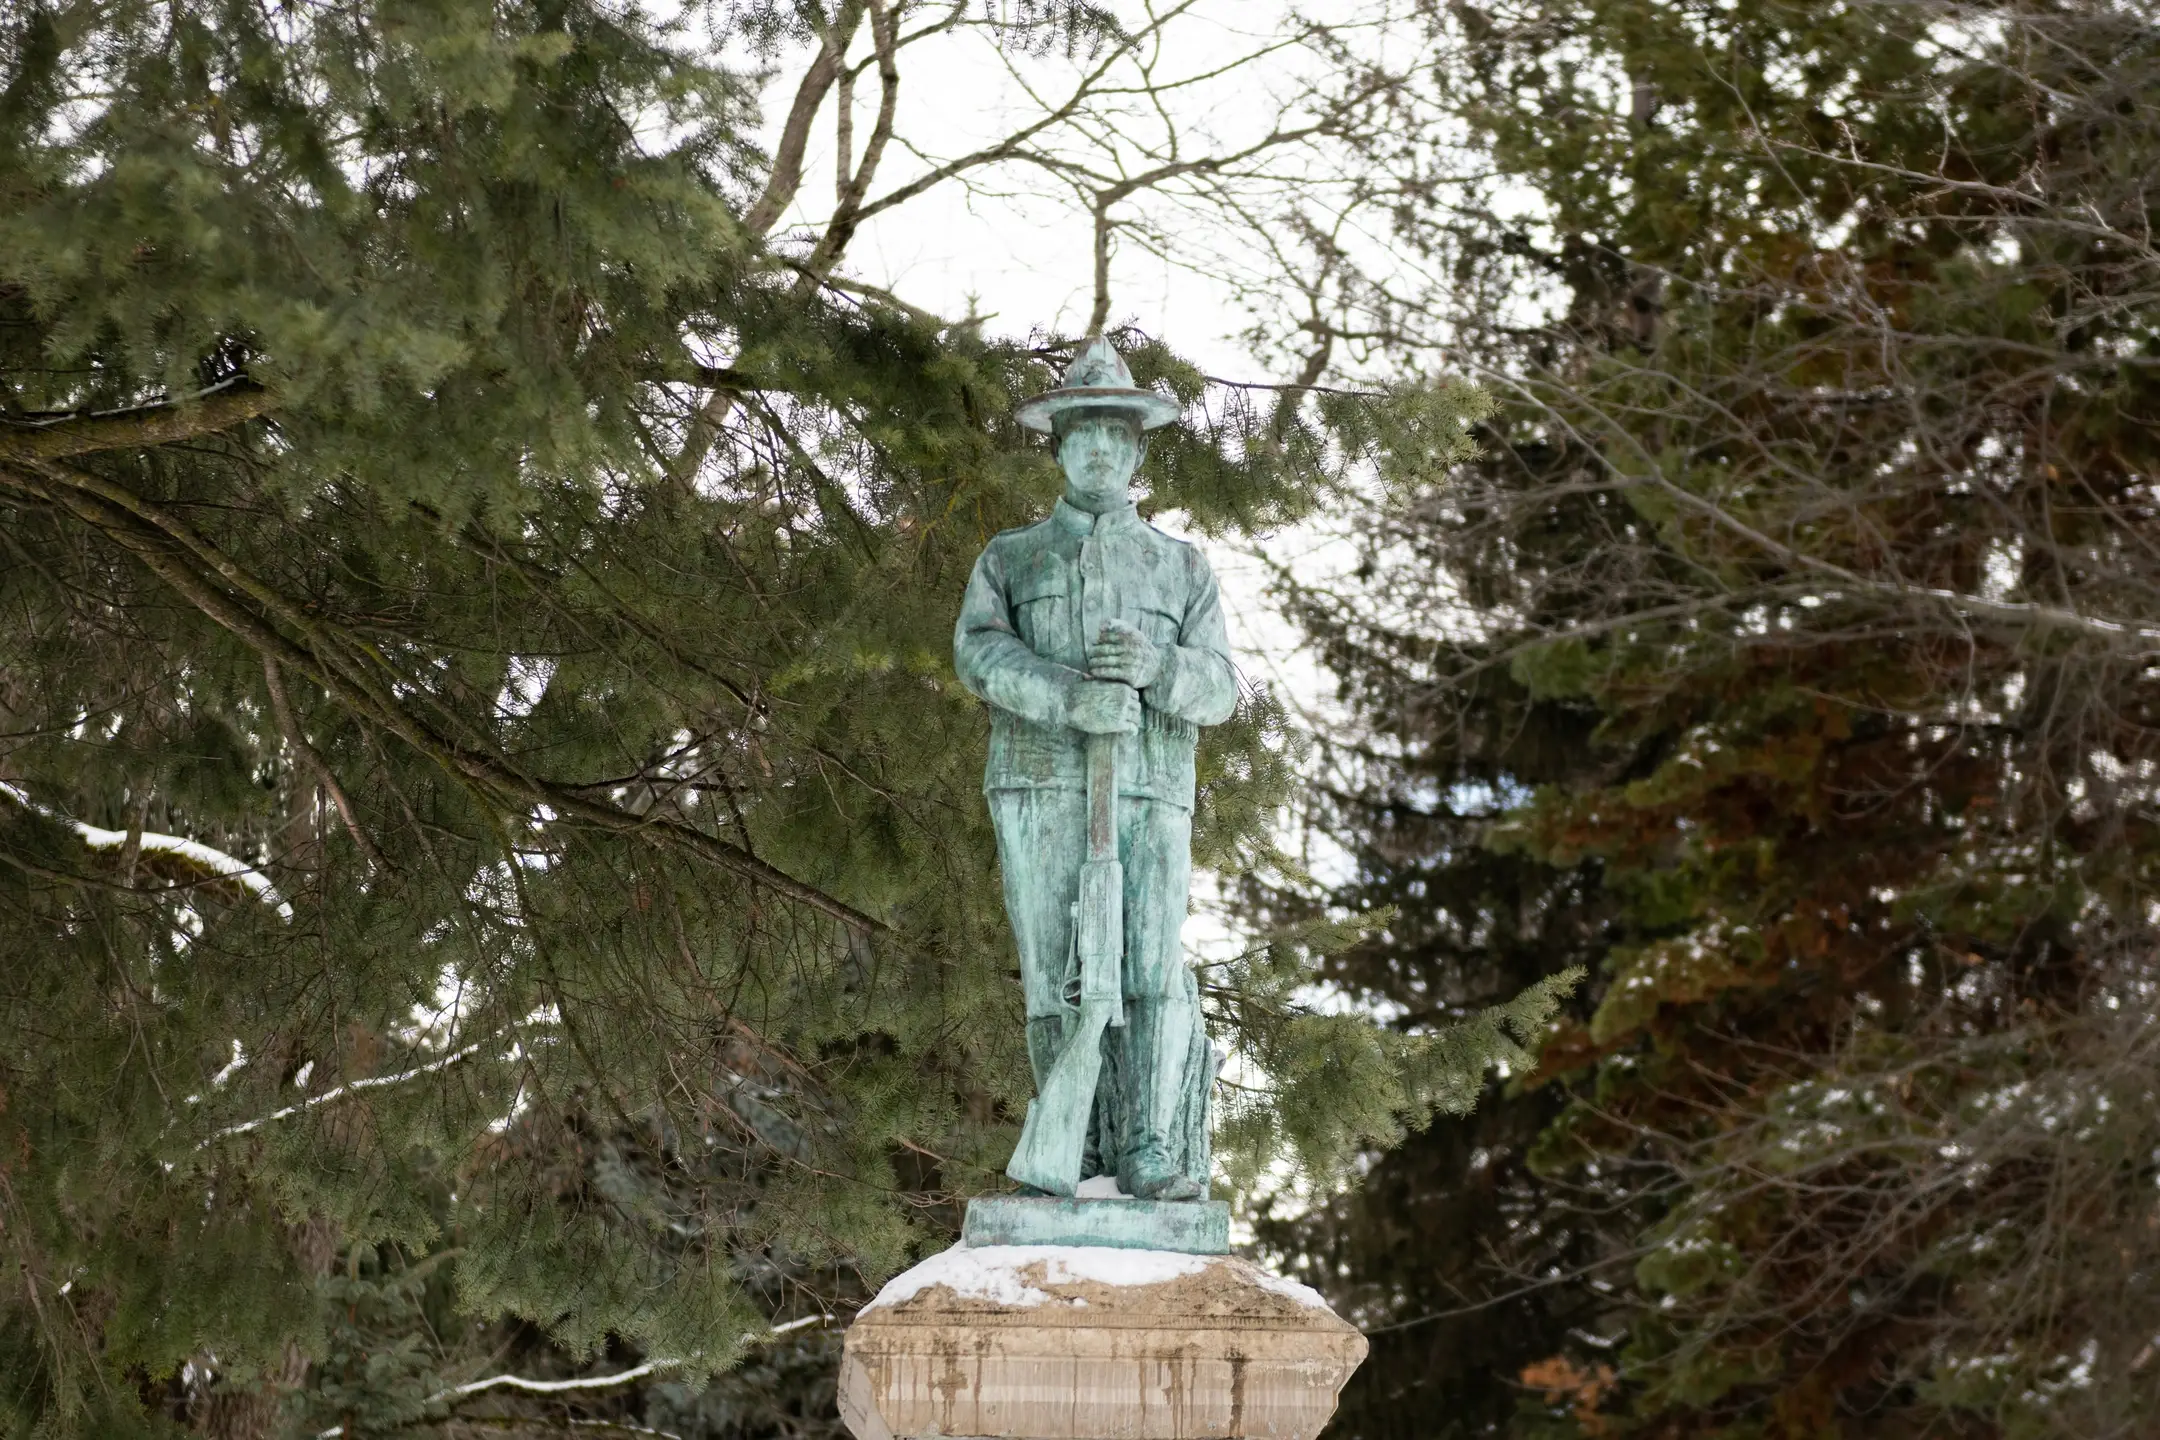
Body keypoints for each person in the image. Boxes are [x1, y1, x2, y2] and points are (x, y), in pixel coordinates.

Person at [953, 337, 1236, 1201]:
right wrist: (1066, 696)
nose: (1101, 450)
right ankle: (1068, 1146)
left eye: (1117, 435)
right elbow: (979, 654)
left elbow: (1220, 689)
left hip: (1150, 788)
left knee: (1150, 966)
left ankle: (1147, 1147)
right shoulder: (1011, 556)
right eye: (1084, 434)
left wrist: (1158, 668)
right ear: (1060, 448)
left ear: (1138, 450)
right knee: (1051, 970)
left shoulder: (1181, 566)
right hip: (1038, 783)